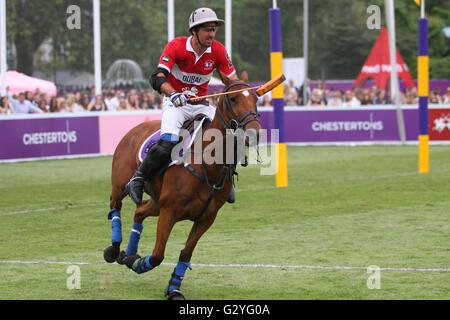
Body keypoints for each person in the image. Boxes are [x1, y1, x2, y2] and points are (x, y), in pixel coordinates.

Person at [126, 7, 239, 205]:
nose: (211, 34)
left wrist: (244, 92)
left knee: (228, 136)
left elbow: (233, 82)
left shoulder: (219, 51)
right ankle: (138, 178)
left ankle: (226, 181)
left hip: (201, 105)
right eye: (207, 30)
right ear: (194, 31)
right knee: (168, 143)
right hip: (176, 103)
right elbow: (157, 77)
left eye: (214, 30)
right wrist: (173, 93)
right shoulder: (177, 47)